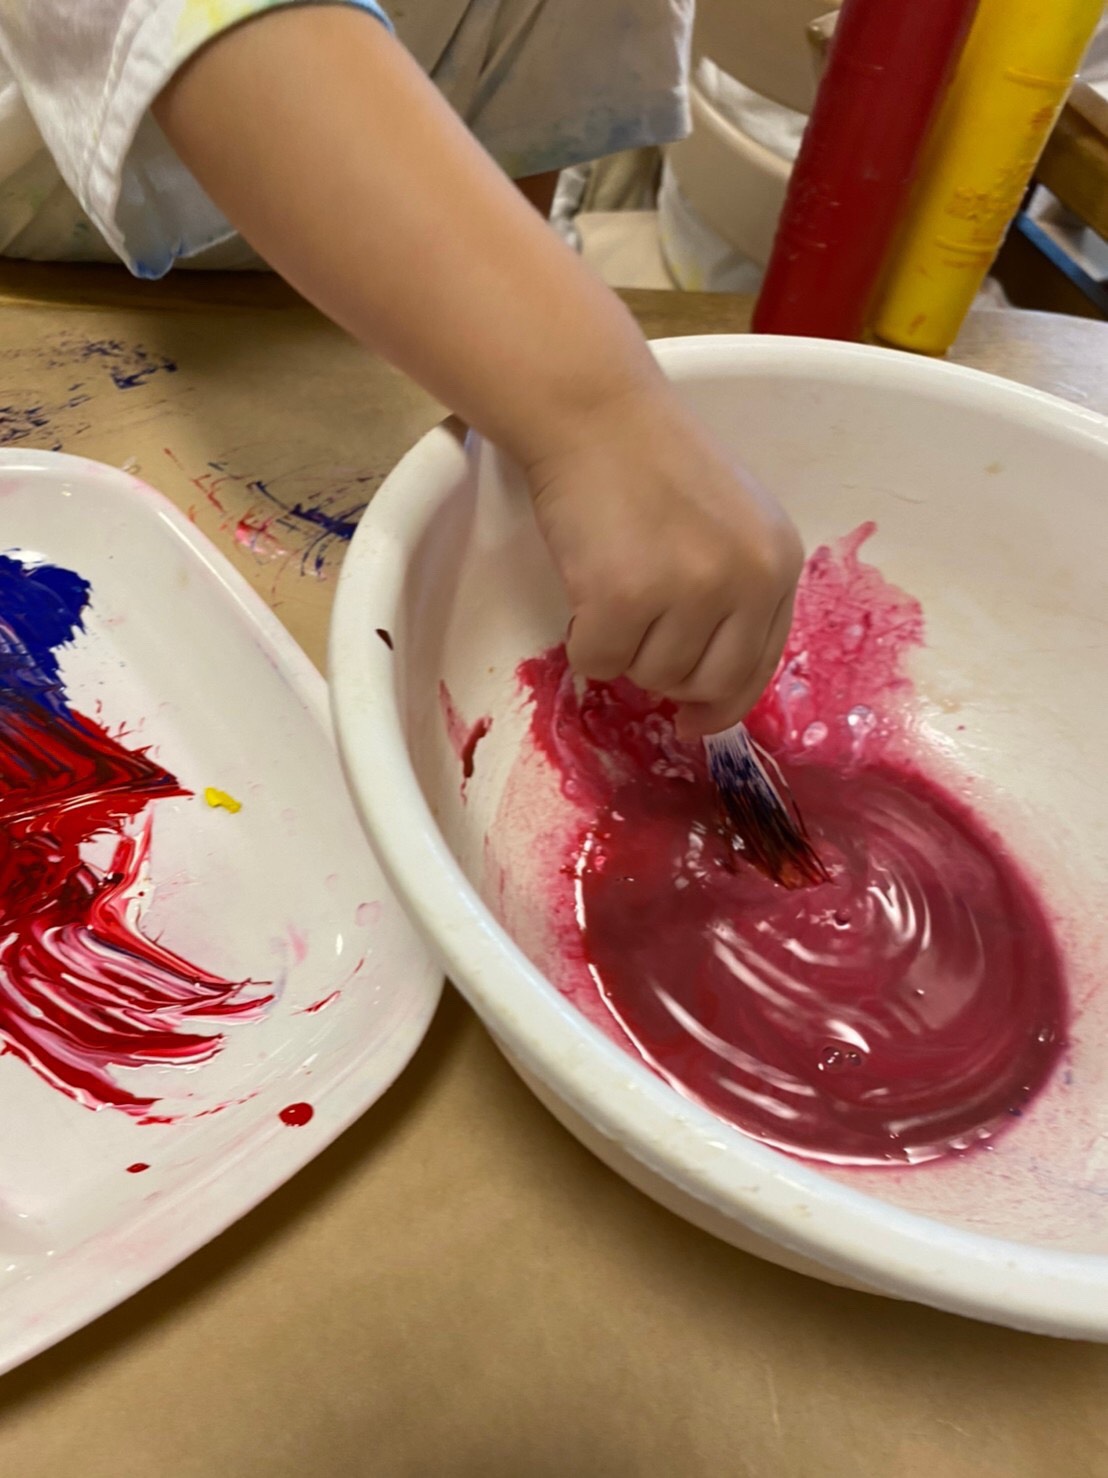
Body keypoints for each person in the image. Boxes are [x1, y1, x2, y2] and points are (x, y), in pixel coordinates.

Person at [0, 2, 803, 739]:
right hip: (52, 288)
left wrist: (511, 368)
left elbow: (527, 114)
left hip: (372, 327)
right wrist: (599, 417)